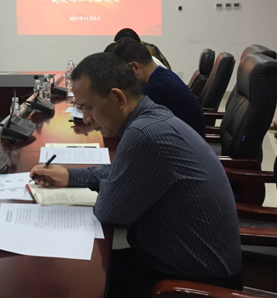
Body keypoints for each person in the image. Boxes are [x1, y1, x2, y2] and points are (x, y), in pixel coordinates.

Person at [30, 53, 241, 297]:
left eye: (88, 107)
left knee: (73, 283)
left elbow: (109, 212)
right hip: (184, 262)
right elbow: (125, 171)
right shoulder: (150, 118)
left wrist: (109, 185)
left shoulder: (144, 135)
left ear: (118, 98)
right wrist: (71, 177)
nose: (85, 118)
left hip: (193, 283)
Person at [112, 38, 205, 137]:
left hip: (182, 143)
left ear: (135, 68)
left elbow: (125, 127)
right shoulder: (164, 75)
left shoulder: (154, 89)